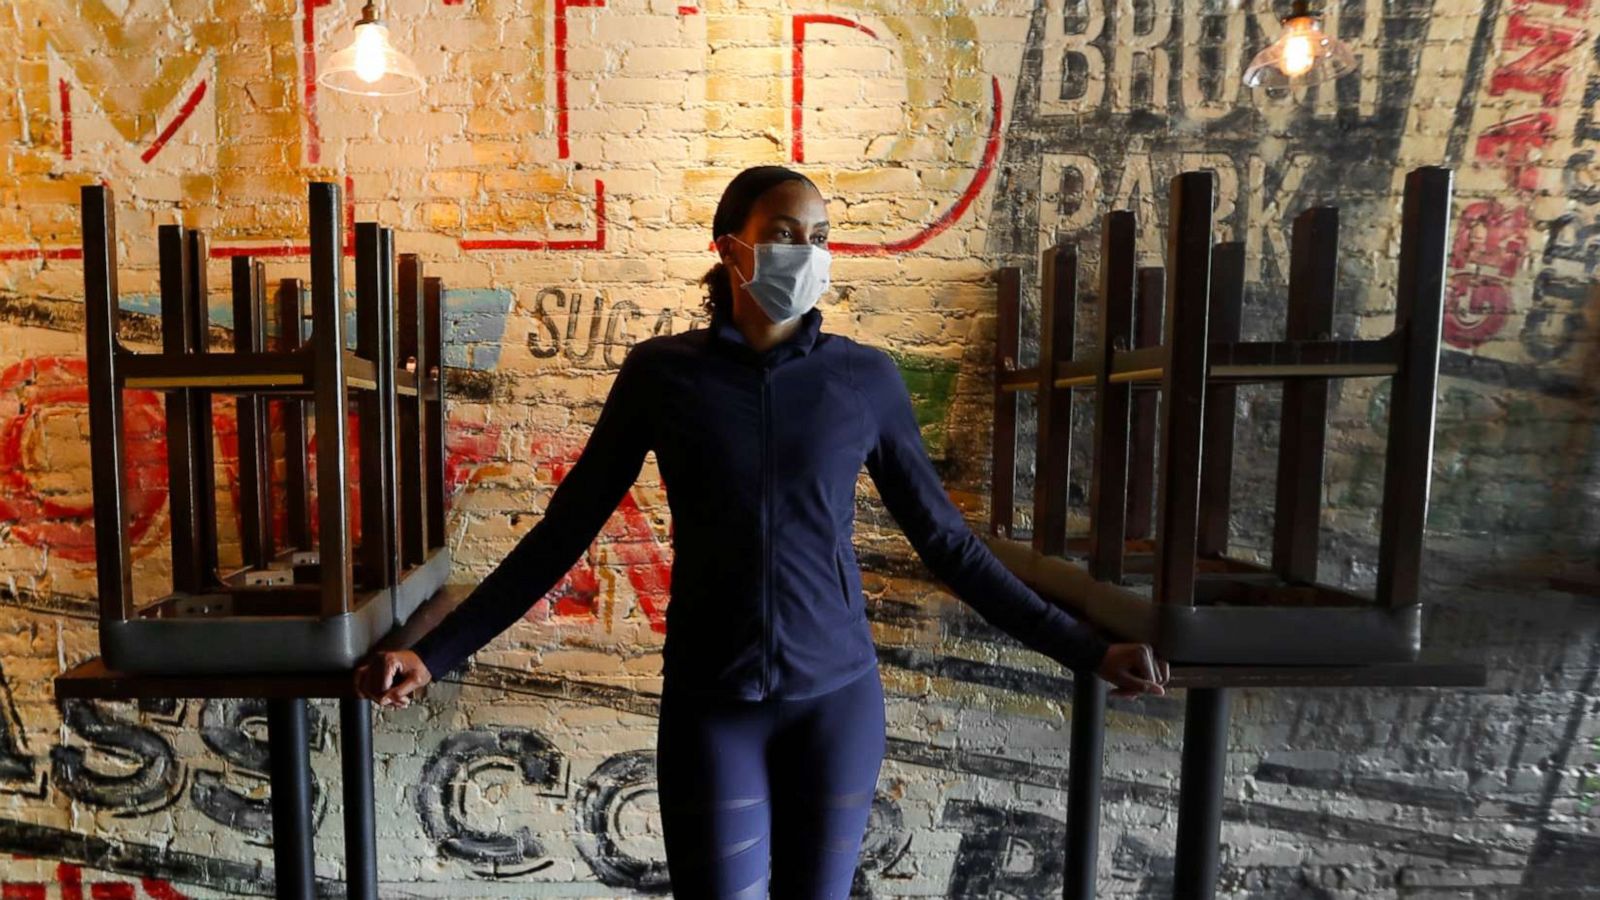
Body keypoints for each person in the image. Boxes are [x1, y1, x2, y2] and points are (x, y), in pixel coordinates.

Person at [354, 165, 1170, 898]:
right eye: (784, 235)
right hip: (714, 705)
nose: (805, 251)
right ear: (731, 249)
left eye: (818, 237)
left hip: (837, 702)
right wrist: (435, 653)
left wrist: (1088, 652)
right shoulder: (663, 375)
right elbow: (563, 533)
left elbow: (948, 545)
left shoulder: (864, 378)